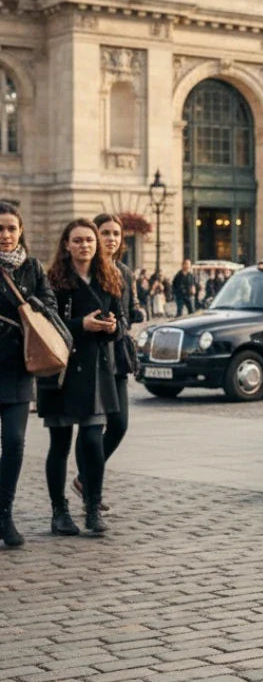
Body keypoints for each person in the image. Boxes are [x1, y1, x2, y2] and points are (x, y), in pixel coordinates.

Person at [39, 220, 124, 537]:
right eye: (77, 240)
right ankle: (59, 511)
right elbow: (45, 324)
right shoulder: (53, 279)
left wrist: (113, 327)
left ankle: (92, 507)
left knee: (92, 441)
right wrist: (80, 326)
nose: (84, 245)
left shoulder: (109, 277)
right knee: (60, 444)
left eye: (89, 240)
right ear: (66, 245)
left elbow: (122, 323)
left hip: (95, 369)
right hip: (61, 370)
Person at [71, 214, 143, 510]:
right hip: (92, 357)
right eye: (105, 233)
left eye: (116, 233)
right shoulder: (87, 271)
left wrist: (128, 317)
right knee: (90, 428)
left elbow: (131, 309)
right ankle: (89, 485)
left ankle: (85, 478)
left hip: (118, 356)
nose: (111, 239)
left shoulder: (123, 271)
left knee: (119, 424)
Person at [0, 201, 57, 548]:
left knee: (15, 443)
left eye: (11, 228)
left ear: (21, 231)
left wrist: (30, 306)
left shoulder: (32, 267)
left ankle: (4, 514)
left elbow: (50, 305)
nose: (5, 235)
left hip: (19, 369)